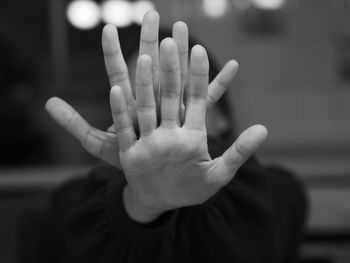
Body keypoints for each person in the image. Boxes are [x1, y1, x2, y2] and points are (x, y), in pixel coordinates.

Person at [45, 10, 307, 263]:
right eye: (144, 97)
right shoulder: (76, 204)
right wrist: (140, 207)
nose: (166, 115)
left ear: (224, 115)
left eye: (183, 95)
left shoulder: (277, 194)